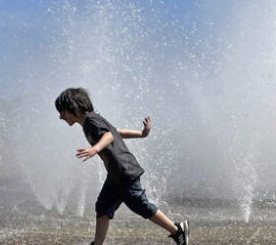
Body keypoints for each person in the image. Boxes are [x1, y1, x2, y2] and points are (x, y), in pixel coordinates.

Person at [54, 88, 190, 245]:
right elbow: (116, 131)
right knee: (103, 206)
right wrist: (141, 134)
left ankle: (177, 230)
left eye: (62, 111)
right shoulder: (91, 121)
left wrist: (95, 149)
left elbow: (109, 135)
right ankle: (97, 244)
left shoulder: (91, 121)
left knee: (140, 205)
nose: (60, 117)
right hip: (115, 174)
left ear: (73, 107)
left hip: (124, 171)